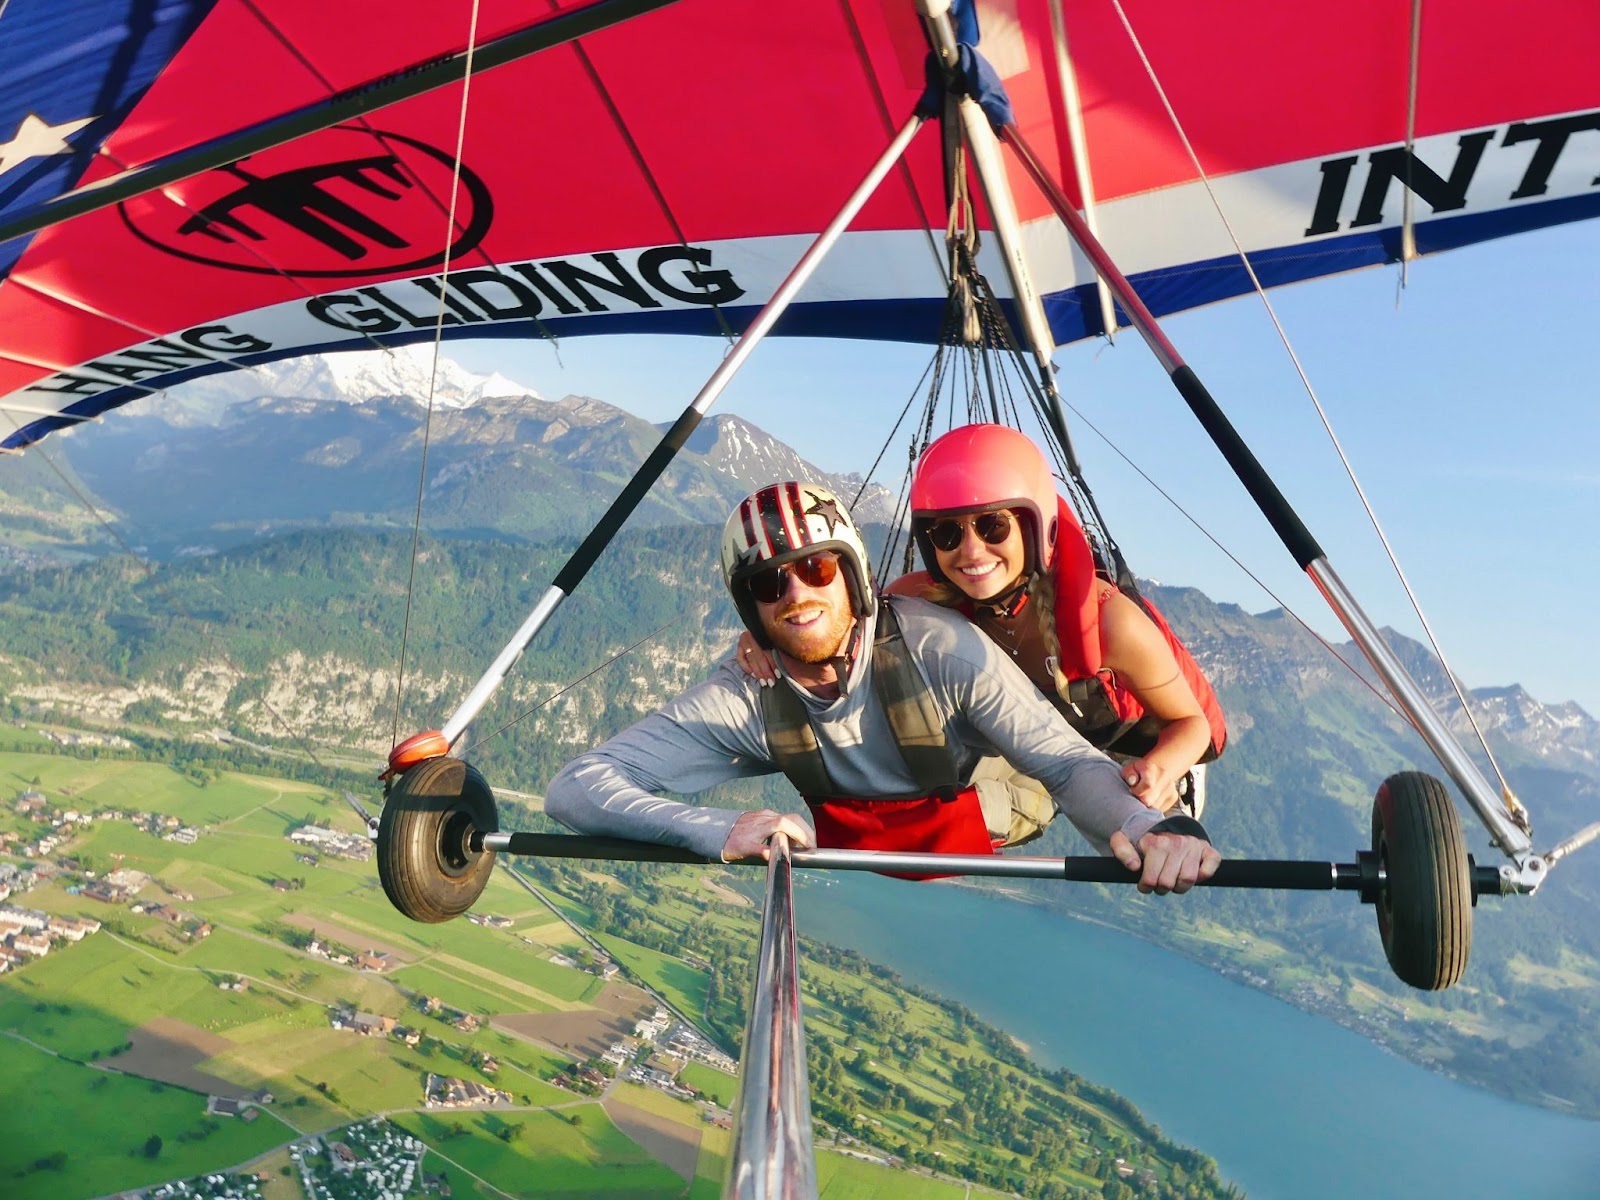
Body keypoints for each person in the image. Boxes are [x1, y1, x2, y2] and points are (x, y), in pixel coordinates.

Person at [545, 480, 1220, 894]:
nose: (797, 594)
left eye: (815, 569)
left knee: (1066, 769)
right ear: (748, 609)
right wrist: (718, 829)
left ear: (852, 576)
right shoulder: (747, 690)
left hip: (991, 794)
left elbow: (1067, 768)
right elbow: (575, 787)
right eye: (768, 584)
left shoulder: (941, 648)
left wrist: (1149, 827)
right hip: (881, 829)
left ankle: (1161, 783)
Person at [735, 425, 1226, 817]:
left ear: (1035, 529)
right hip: (1047, 733)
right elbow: (839, 620)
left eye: (993, 526)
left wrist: (1162, 766)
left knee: (1148, 809)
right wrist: (765, 635)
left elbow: (1192, 724)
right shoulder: (925, 597)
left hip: (1132, 731)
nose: (971, 552)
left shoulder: (1109, 622)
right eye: (948, 533)